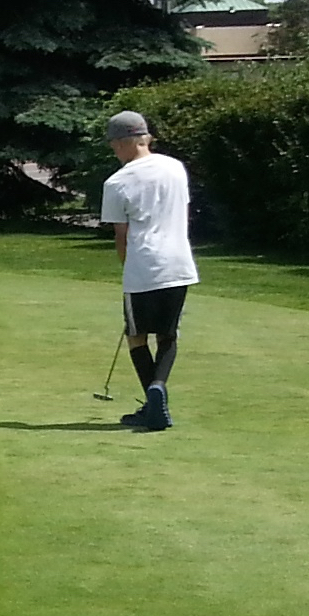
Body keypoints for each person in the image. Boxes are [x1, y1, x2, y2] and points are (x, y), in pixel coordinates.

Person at [100, 110, 197, 431]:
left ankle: (153, 399)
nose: (114, 151)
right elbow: (183, 213)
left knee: (136, 336)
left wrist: (128, 270)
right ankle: (158, 387)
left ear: (124, 142)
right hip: (180, 263)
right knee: (168, 335)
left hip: (144, 267)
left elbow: (121, 236)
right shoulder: (175, 168)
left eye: (114, 145)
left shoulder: (116, 182)